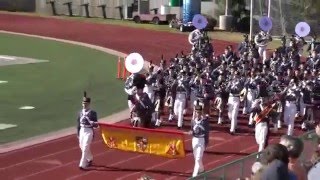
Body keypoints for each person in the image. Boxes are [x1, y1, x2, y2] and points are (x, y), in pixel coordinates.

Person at [77, 94, 98, 170]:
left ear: (89, 104)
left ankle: (82, 164)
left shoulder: (93, 113)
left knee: (85, 147)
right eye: (83, 103)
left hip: (89, 131)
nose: (84, 105)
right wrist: (78, 133)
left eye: (85, 103)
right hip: (82, 130)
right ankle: (90, 158)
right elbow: (78, 124)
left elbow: (96, 124)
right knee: (82, 147)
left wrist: (93, 123)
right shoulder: (80, 113)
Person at [189, 104, 210, 177]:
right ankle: (202, 170)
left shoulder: (204, 121)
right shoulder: (193, 121)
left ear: (201, 112)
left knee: (198, 158)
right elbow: (192, 130)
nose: (198, 114)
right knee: (197, 159)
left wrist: (206, 143)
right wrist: (191, 132)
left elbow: (207, 132)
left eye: (199, 112)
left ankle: (194, 176)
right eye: (196, 112)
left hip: (201, 140)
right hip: (194, 140)